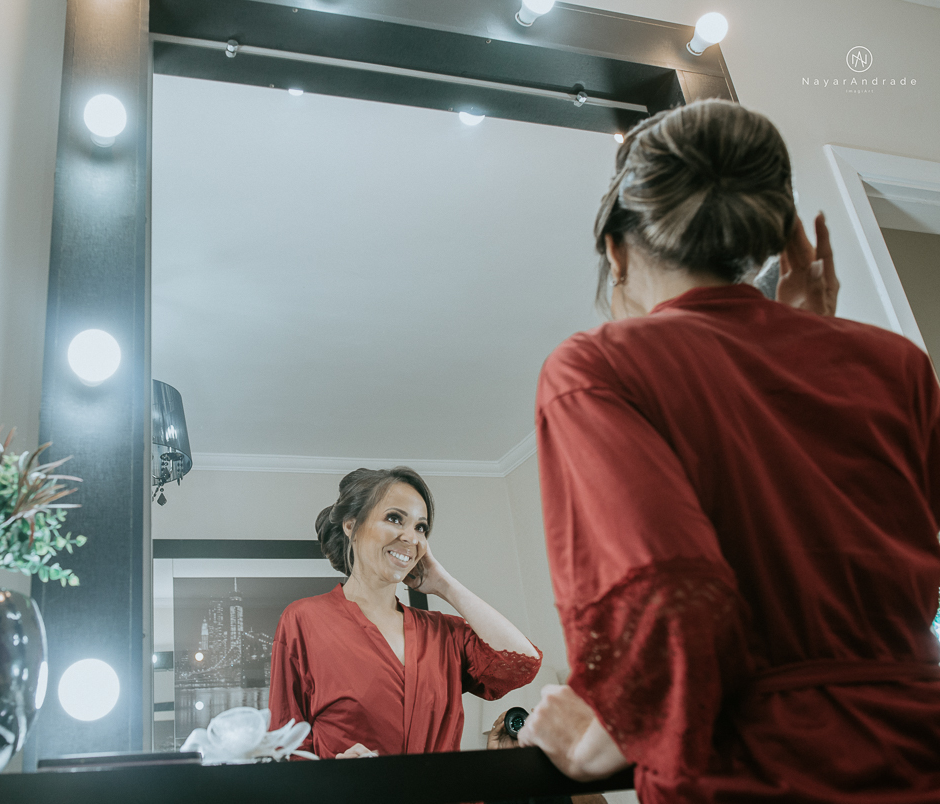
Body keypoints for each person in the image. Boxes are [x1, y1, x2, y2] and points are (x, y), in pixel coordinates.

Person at [512, 98, 940, 801]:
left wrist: (595, 748)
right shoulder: (896, 364)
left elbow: (673, 591)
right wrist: (808, 347)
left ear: (617, 250)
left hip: (757, 770)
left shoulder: (596, 366)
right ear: (768, 235)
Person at [268, 466, 542, 759]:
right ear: (351, 525)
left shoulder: (443, 633)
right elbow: (286, 743)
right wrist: (334, 776)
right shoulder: (304, 620)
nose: (411, 538)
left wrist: (445, 585)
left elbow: (523, 663)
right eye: (394, 518)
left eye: (420, 527)